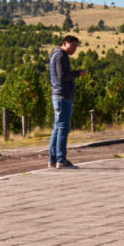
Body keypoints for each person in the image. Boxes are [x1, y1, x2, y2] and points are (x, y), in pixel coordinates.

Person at [48, 35, 84, 169]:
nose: (74, 49)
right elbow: (63, 76)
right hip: (63, 96)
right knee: (63, 128)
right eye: (72, 45)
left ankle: (54, 159)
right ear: (64, 43)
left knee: (58, 128)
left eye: (76, 46)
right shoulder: (61, 56)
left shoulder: (57, 55)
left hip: (59, 95)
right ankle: (61, 160)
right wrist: (77, 73)